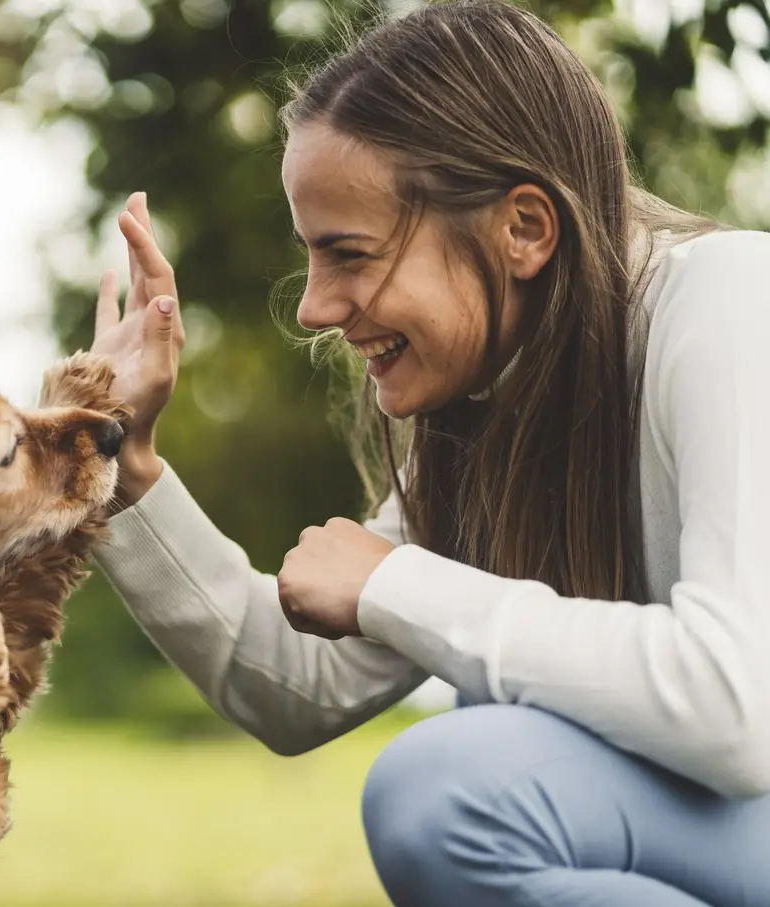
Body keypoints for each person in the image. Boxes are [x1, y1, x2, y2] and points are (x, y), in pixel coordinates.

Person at [84, 1, 770, 904]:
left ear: (524, 229)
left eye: (351, 255)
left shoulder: (729, 302)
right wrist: (123, 463)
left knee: (455, 785)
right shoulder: (494, 411)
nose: (314, 308)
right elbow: (294, 684)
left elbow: (735, 703)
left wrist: (394, 585)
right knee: (464, 775)